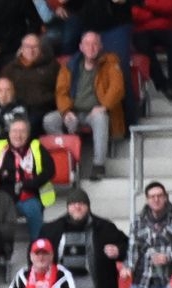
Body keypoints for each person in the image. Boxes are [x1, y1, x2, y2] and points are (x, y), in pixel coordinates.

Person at [44, 31, 123, 182]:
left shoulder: (110, 63)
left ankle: (99, 165)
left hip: (94, 113)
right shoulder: (70, 66)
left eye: (94, 44)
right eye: (87, 44)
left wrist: (104, 106)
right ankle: (68, 158)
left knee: (100, 118)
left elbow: (117, 88)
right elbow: (61, 91)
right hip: (73, 111)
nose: (91, 48)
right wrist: (66, 111)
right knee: (49, 120)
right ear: (81, 47)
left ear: (100, 46)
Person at [0, 114, 55, 241]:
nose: (18, 135)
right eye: (15, 131)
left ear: (28, 134)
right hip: (5, 196)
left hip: (29, 195)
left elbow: (50, 171)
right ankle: (3, 248)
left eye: (22, 131)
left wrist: (29, 183)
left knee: (33, 209)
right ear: (9, 133)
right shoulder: (0, 147)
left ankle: (36, 247)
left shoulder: (36, 147)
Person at [131, 0, 172, 101]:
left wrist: (146, 4)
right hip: (142, 28)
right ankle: (164, 85)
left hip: (167, 26)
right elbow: (133, 12)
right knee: (141, 43)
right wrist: (154, 13)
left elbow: (171, 6)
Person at [0, 33, 55, 122]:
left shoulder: (51, 66)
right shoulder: (10, 68)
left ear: (40, 49)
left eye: (35, 47)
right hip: (16, 108)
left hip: (43, 109)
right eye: (27, 47)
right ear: (21, 49)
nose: (31, 50)